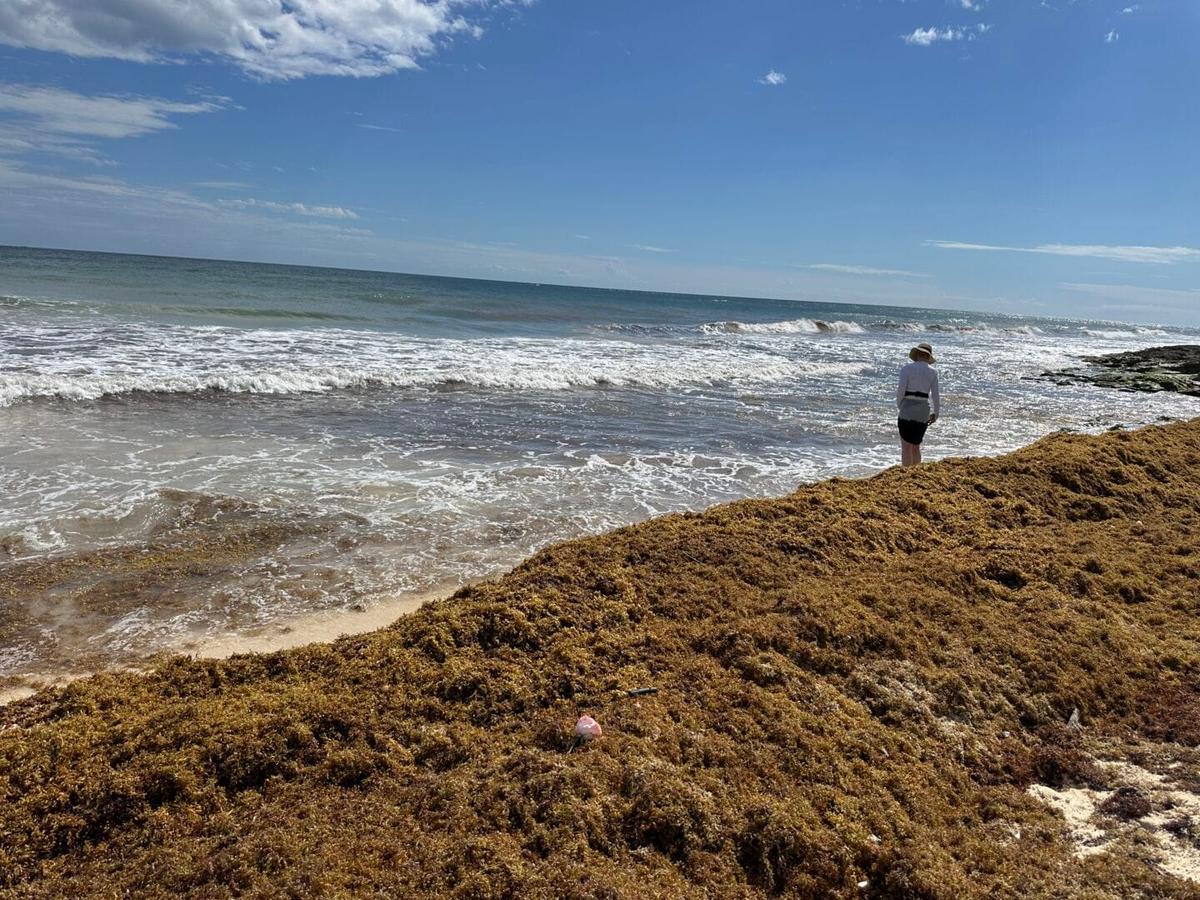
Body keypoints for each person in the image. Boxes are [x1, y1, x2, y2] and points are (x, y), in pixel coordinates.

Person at [896, 342, 939, 467]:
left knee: (905, 447)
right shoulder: (933, 372)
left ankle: (906, 474)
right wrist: (936, 413)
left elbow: (900, 392)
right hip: (923, 410)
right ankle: (916, 472)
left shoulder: (907, 369)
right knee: (916, 446)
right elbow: (935, 395)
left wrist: (901, 406)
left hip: (907, 408)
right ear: (928, 356)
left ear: (917, 354)